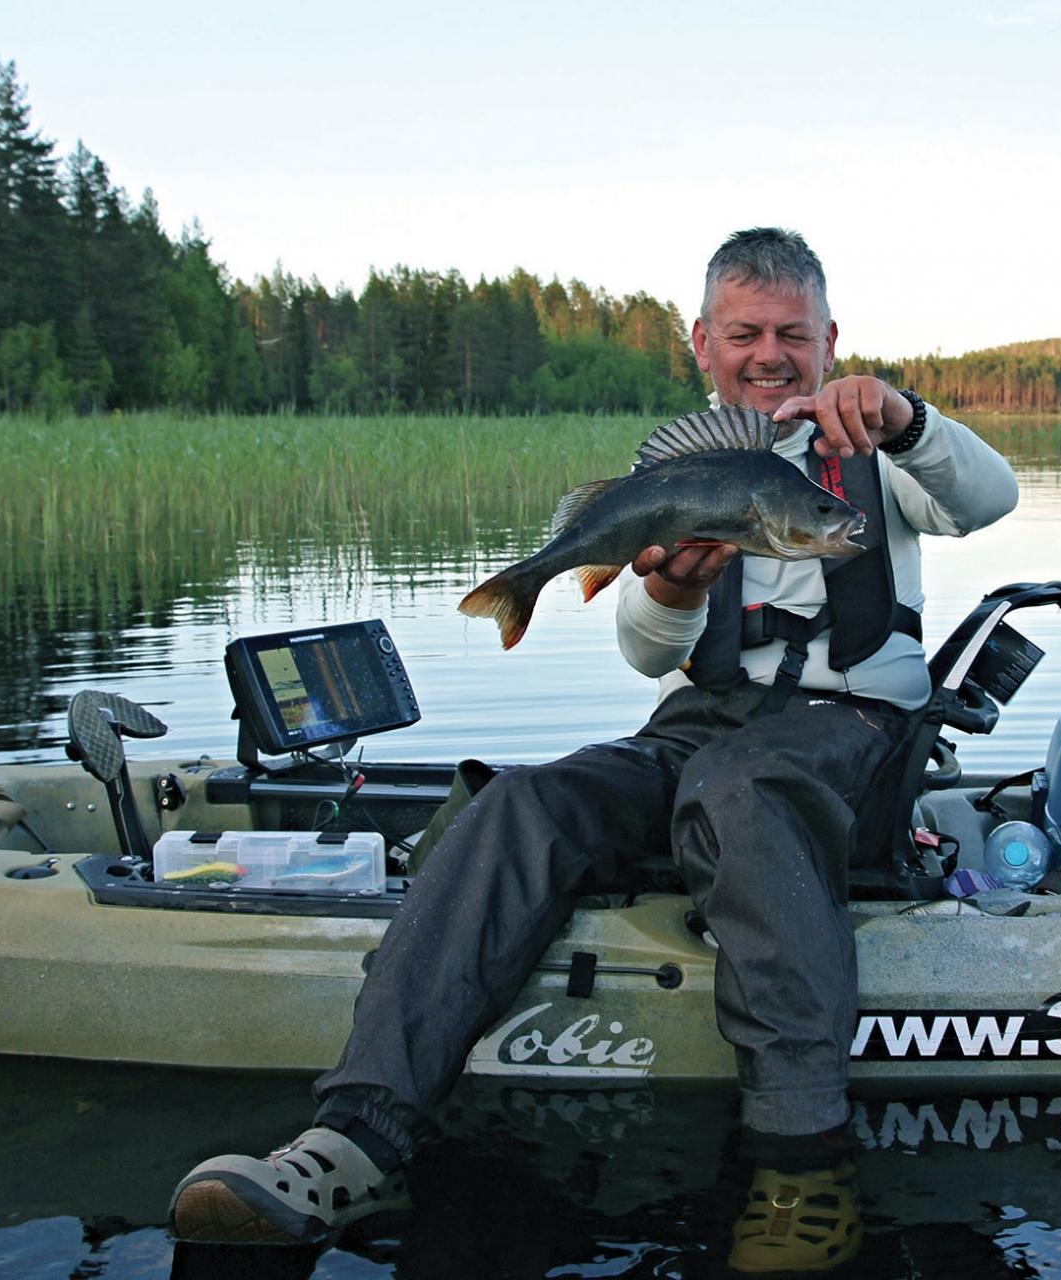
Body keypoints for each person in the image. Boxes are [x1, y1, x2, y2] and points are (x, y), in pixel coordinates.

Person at [168, 228, 1018, 1268]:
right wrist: (671, 591)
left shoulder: (878, 458)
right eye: (743, 333)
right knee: (520, 801)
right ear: (701, 344)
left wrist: (907, 417)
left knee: (738, 785)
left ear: (829, 339)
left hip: (850, 737)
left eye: (792, 333)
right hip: (694, 733)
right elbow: (647, 652)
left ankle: (802, 1160)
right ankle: (351, 1136)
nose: (769, 354)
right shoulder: (680, 469)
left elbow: (989, 497)